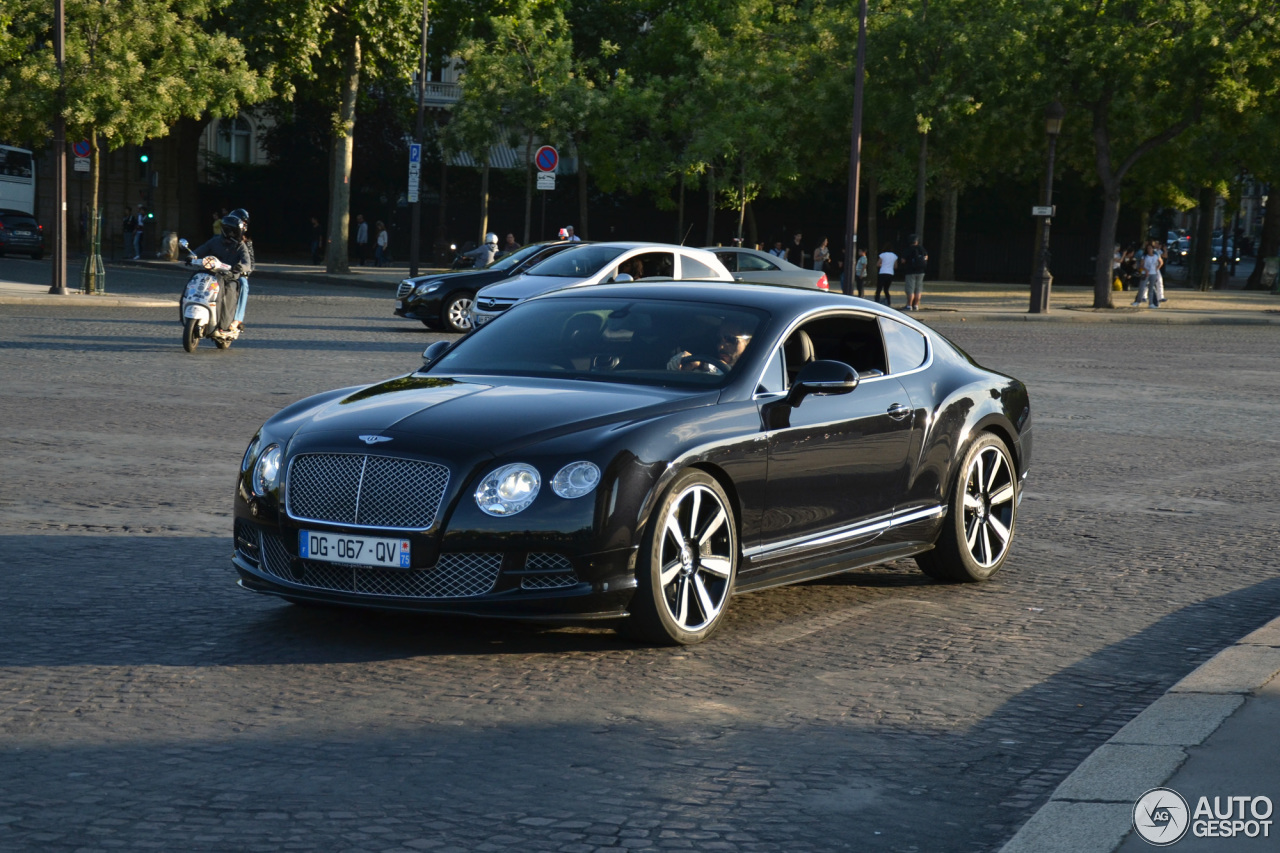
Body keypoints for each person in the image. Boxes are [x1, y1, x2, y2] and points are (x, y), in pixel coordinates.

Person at [191, 214, 252, 332]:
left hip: (230, 276)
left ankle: (233, 320)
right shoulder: (215, 241)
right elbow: (201, 249)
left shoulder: (241, 245)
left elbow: (248, 263)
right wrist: (191, 256)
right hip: (212, 273)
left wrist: (240, 267)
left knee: (241, 285)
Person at [667, 316, 754, 374]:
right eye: (718, 340)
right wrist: (679, 364)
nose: (721, 347)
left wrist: (703, 365)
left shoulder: (758, 372)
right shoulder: (705, 369)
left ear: (750, 342)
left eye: (730, 339)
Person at [228, 208, 253, 331]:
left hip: (235, 273)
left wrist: (242, 269)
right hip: (218, 270)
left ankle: (237, 318)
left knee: (243, 283)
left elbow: (250, 264)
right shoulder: (220, 238)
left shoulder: (246, 243)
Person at [901, 233, 928, 311]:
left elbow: (903, 260)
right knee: (918, 289)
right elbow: (926, 257)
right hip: (921, 271)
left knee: (910, 289)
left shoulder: (908, 249)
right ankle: (916, 305)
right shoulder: (922, 249)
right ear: (917, 241)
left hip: (910, 271)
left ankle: (909, 305)